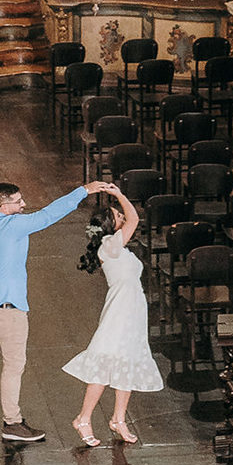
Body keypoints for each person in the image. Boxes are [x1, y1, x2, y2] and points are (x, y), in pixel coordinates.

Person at [0, 176, 107, 442]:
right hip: (10, 307)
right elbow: (49, 214)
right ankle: (13, 422)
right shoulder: (14, 225)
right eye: (17, 202)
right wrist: (83, 191)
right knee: (14, 365)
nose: (24, 204)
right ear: (3, 206)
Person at [63, 185, 163, 446]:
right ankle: (83, 418)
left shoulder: (117, 247)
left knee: (126, 361)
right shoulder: (109, 244)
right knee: (104, 362)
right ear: (110, 224)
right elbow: (135, 218)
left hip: (132, 309)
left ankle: (118, 418)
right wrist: (118, 195)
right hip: (120, 311)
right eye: (117, 215)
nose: (122, 217)